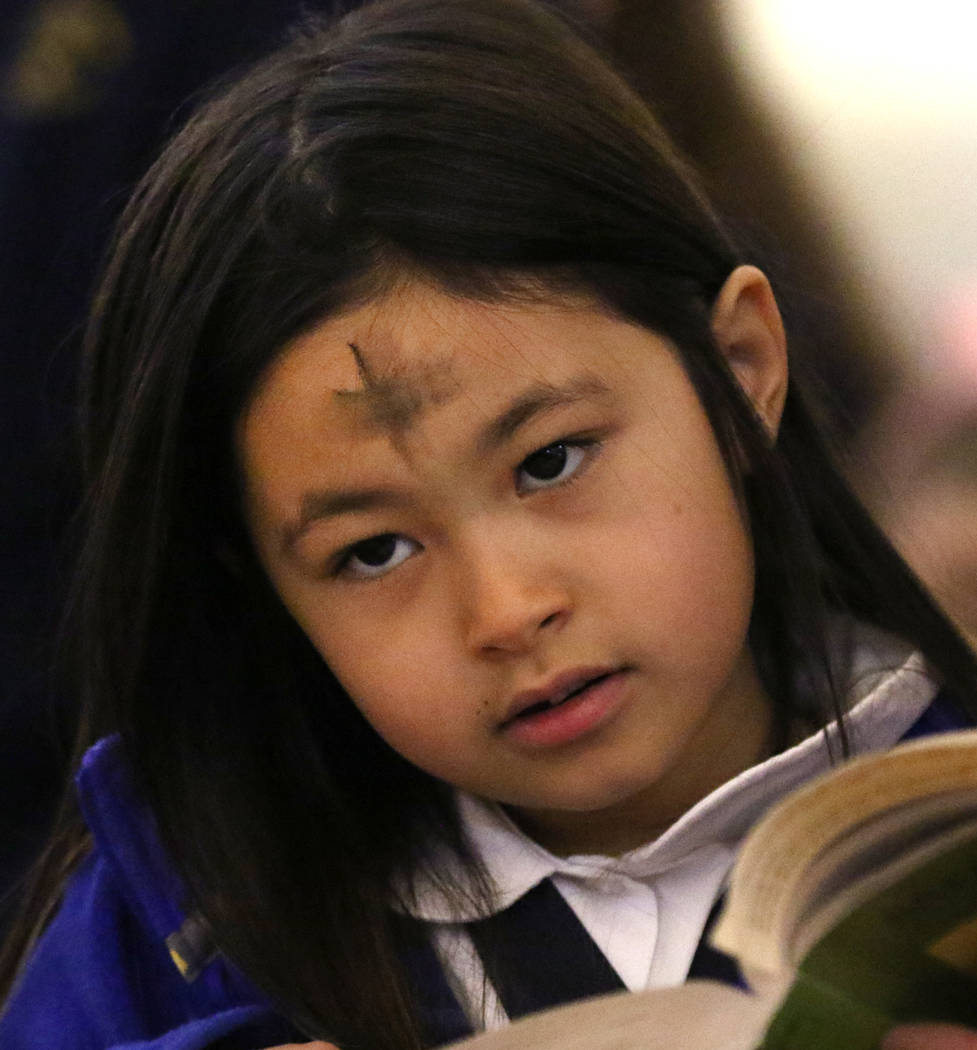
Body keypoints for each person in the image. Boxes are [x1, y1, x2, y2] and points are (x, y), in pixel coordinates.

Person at [1, 0, 976, 1048]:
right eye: (372, 551)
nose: (505, 611)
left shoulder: (946, 824)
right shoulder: (171, 941)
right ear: (262, 585)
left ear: (736, 372)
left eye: (549, 462)